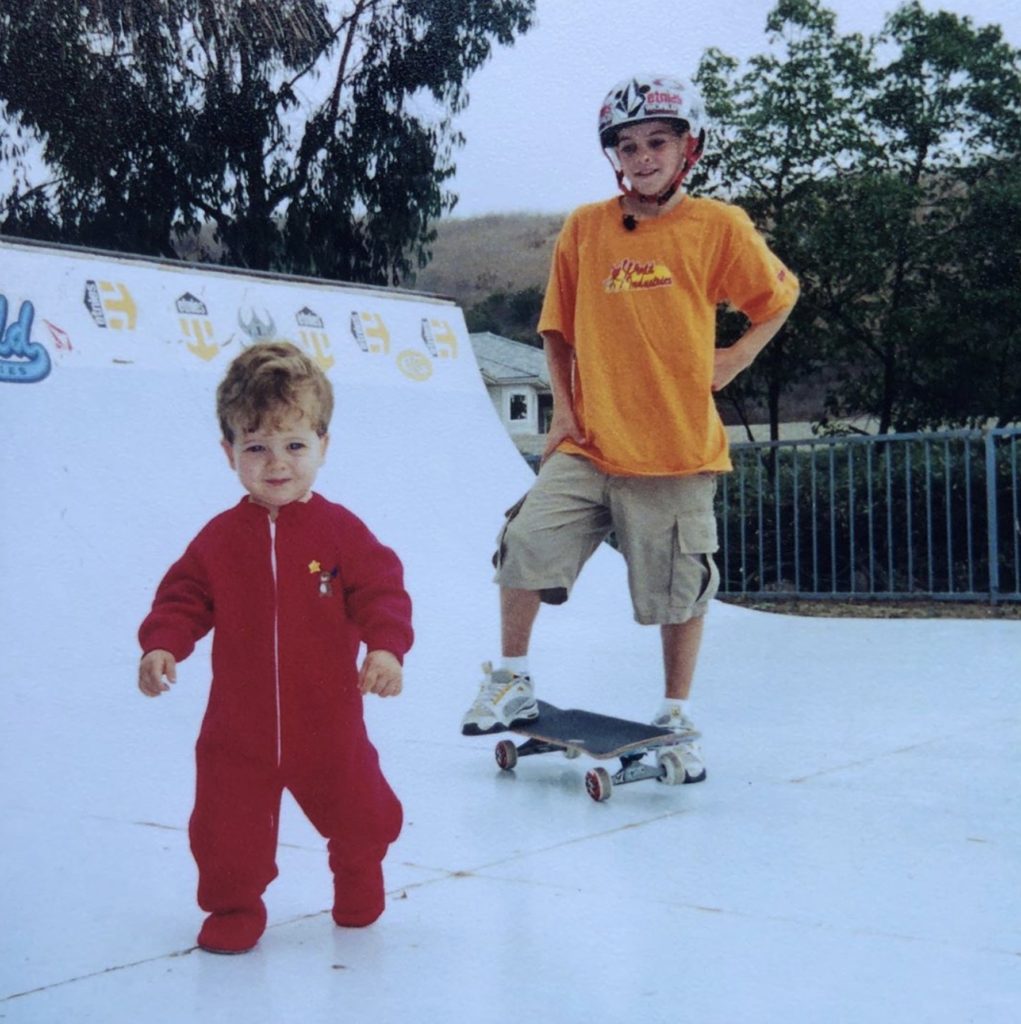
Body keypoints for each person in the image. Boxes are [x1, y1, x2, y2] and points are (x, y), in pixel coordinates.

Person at [460, 73, 799, 783]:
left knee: (678, 590)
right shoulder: (585, 228)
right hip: (589, 444)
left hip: (674, 449)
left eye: (655, 143)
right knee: (523, 542)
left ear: (687, 149)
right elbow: (555, 331)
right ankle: (511, 676)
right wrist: (562, 415)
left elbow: (777, 295)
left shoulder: (718, 227)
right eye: (626, 146)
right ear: (612, 155)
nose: (640, 156)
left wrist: (736, 354)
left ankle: (674, 713)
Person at [138, 341, 413, 954]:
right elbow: (182, 599)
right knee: (224, 831)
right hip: (239, 729)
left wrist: (386, 649)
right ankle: (235, 907)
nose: (276, 462)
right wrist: (163, 645)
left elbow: (382, 592)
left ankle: (358, 871)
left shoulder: (341, 531)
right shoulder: (218, 539)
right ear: (229, 452)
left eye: (294, 445)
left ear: (323, 445)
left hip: (329, 722)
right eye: (255, 446)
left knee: (362, 813)